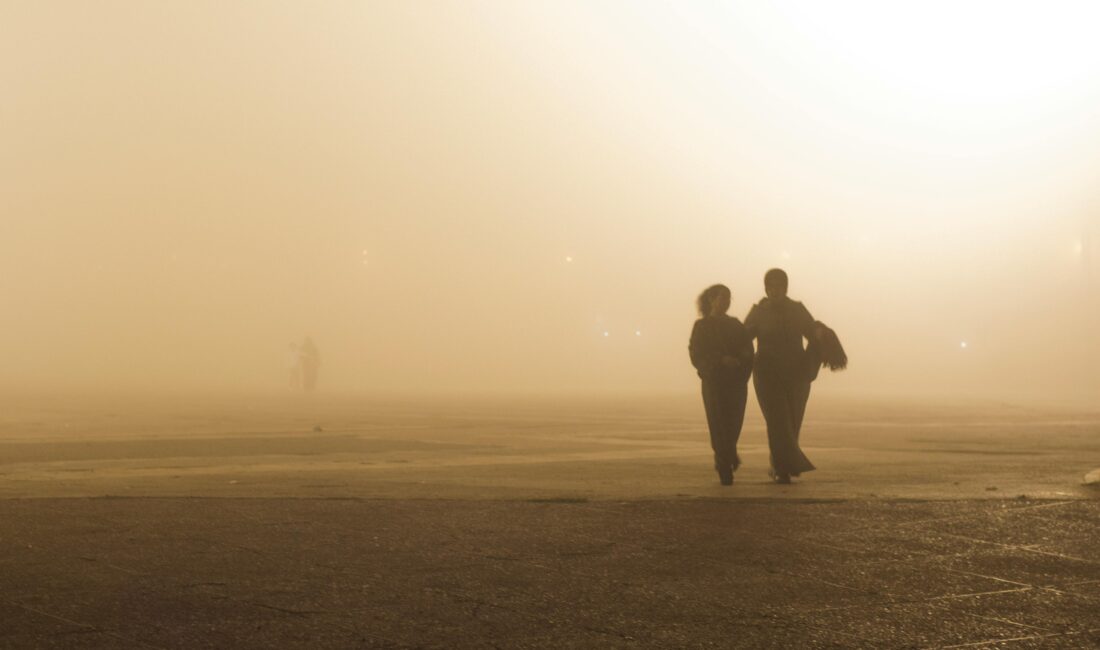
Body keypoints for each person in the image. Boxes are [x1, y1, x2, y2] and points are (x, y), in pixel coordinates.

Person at [745, 269, 817, 484]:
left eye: (779, 286)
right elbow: (741, 337)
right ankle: (783, 468)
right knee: (778, 420)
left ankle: (780, 464)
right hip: (767, 374)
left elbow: (813, 333)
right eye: (771, 286)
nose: (775, 290)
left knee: (792, 420)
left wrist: (814, 358)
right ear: (765, 288)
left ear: (786, 288)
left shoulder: (797, 310)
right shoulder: (758, 312)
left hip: (796, 374)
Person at [689, 284, 755, 485]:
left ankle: (728, 454)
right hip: (714, 383)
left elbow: (748, 350)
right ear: (711, 300)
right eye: (721, 298)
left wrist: (740, 364)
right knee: (718, 423)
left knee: (734, 423)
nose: (725, 302)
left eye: (728, 298)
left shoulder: (736, 325)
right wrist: (719, 361)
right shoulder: (701, 327)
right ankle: (724, 463)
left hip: (735, 382)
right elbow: (696, 354)